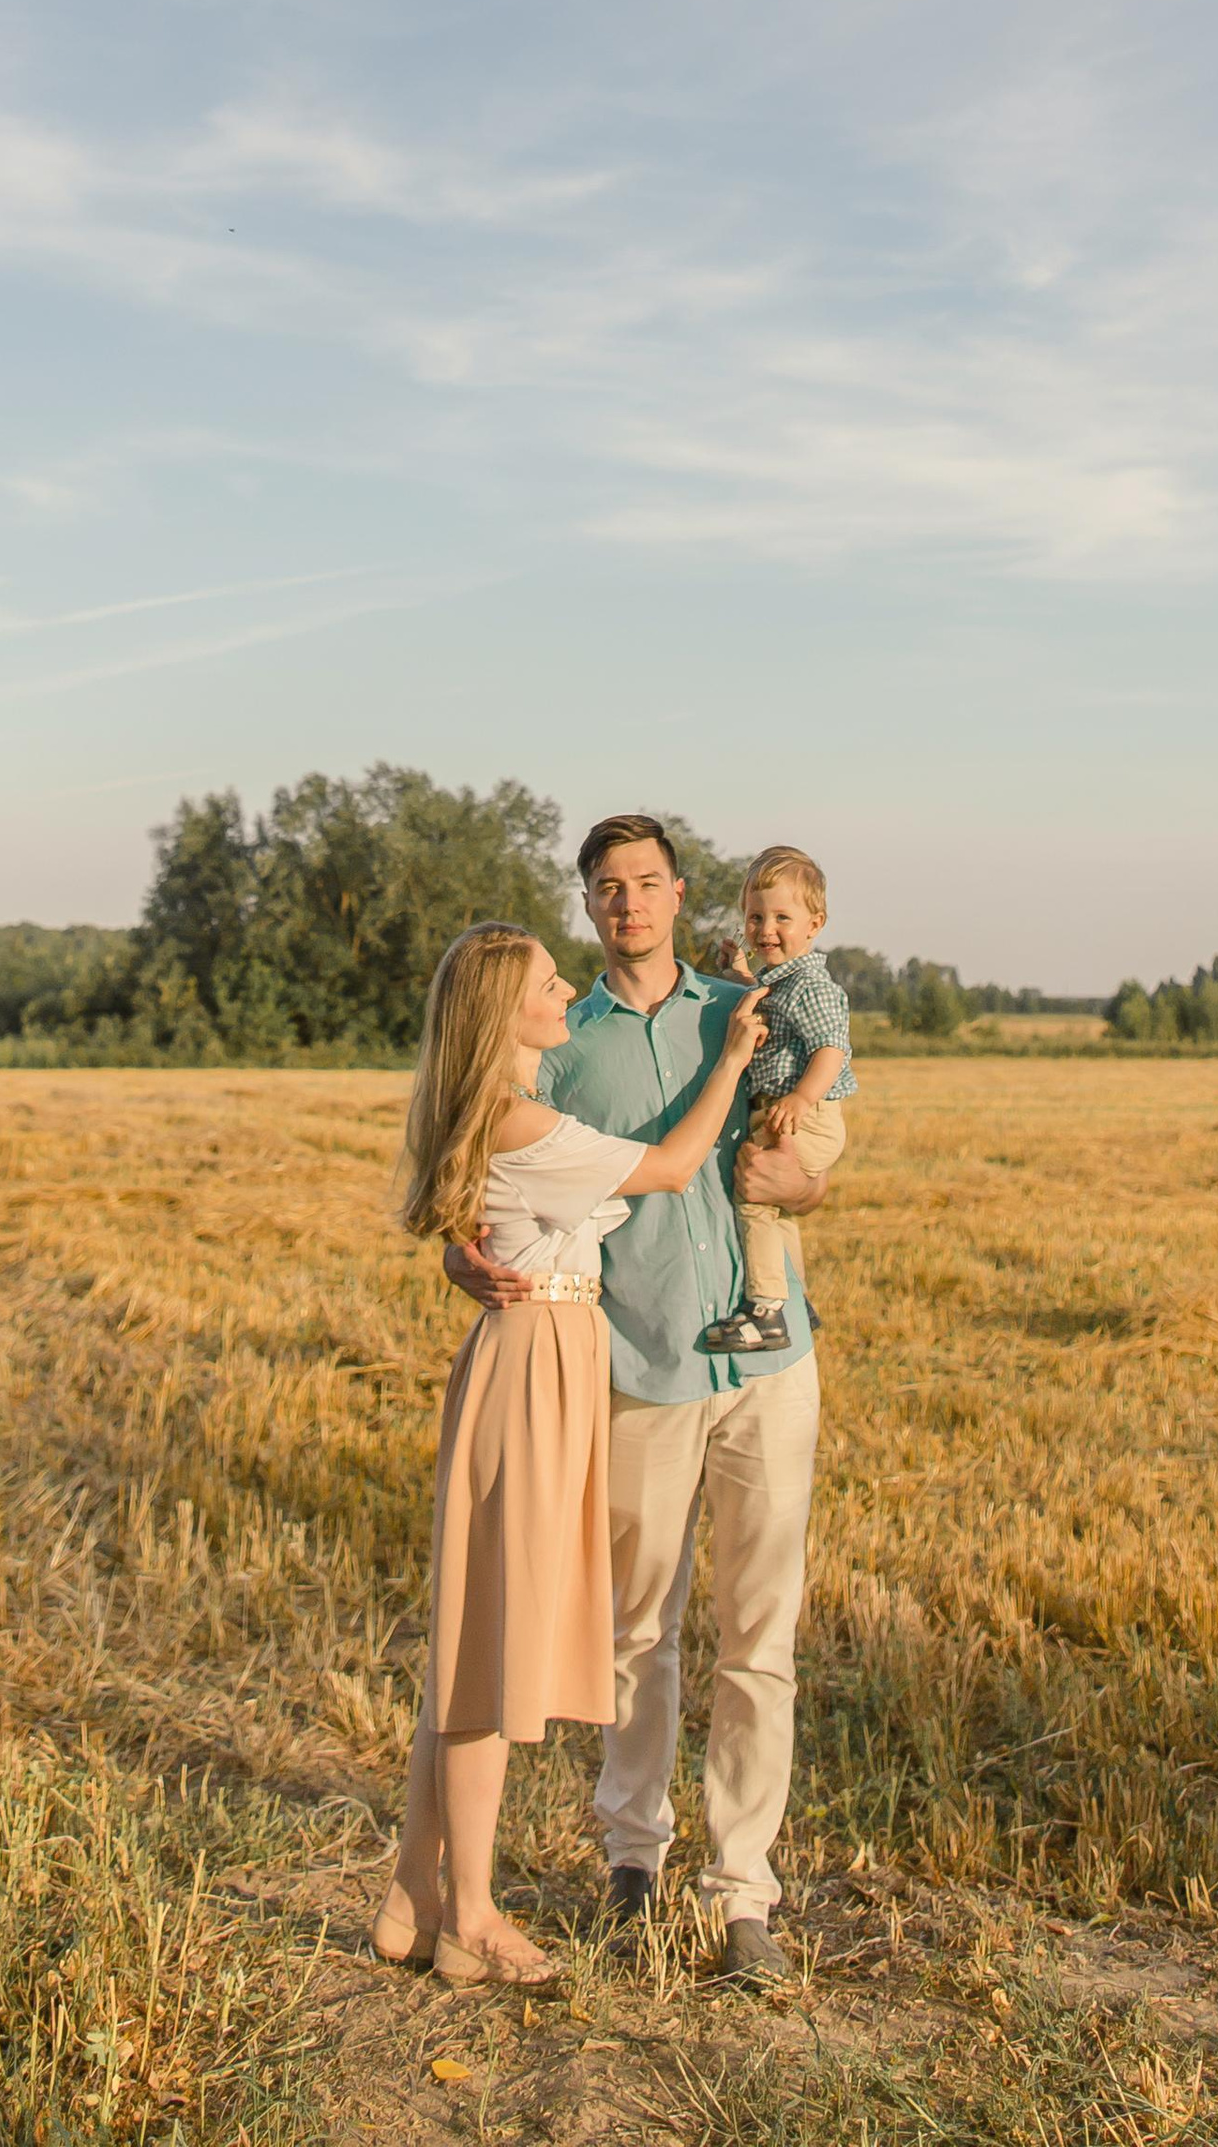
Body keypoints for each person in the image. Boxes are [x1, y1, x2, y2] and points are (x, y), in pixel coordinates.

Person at [447, 817, 835, 1989]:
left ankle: (744, 1890)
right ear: (588, 905)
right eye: (608, 888)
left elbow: (812, 1150)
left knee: (761, 1635)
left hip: (768, 1364)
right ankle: (632, 1860)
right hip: (638, 1363)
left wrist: (806, 1185)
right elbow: (488, 1185)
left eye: (648, 883)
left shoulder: (746, 1008)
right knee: (637, 1632)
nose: (629, 904)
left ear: (678, 895)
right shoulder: (557, 1042)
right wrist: (462, 1257)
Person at [376, 920, 766, 1986]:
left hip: (537, 1351)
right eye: (549, 984)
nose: (565, 995)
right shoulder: (525, 1123)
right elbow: (675, 1166)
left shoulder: (501, 1110)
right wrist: (734, 1055)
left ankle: (412, 1895)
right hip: (538, 1362)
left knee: (476, 1634)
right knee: (491, 1647)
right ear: (503, 1013)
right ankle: (470, 1918)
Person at [699, 843, 855, 1358]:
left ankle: (765, 1310)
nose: (766, 928)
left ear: (815, 924)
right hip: (786, 1112)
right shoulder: (782, 981)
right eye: (755, 917)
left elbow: (831, 1047)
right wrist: (739, 971)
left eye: (782, 918)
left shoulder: (811, 985)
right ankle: (795, 1298)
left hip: (804, 1116)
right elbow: (766, 1000)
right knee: (776, 1210)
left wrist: (803, 1098)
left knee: (755, 1202)